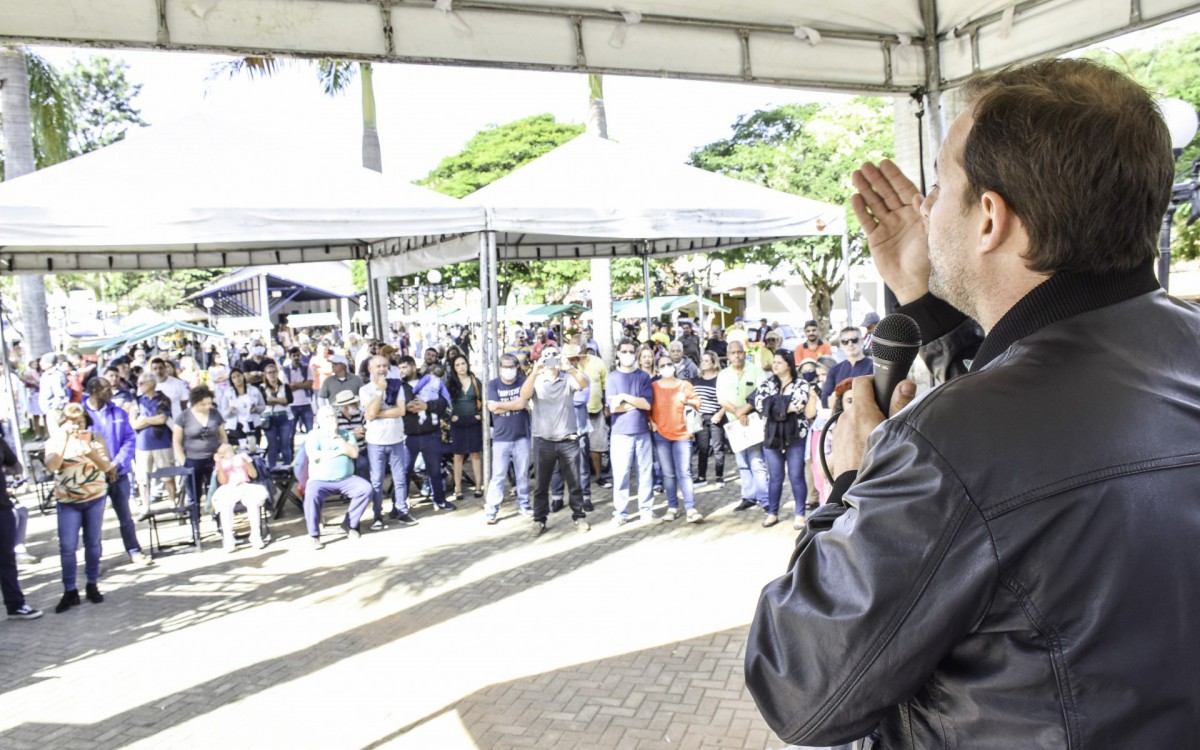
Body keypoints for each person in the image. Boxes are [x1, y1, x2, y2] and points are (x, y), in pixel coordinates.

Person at [746, 59, 1200, 748]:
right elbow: (1037, 404)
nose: (925, 210)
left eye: (941, 186)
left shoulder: (947, 445)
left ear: (990, 217)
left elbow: (800, 687)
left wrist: (848, 485)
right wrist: (919, 293)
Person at [44, 404, 112, 614]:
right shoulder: (54, 442)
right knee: (67, 547)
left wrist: (90, 452)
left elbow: (106, 466)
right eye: (71, 422)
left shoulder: (95, 438)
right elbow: (52, 466)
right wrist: (64, 441)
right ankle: (70, 590)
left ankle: (92, 584)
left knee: (92, 543)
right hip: (67, 501)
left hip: (94, 498)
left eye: (80, 421)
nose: (76, 425)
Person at [519, 344, 590, 536]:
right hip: (543, 439)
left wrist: (571, 368)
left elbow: (584, 384)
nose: (551, 358)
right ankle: (539, 520)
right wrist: (534, 373)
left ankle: (579, 516)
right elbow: (524, 396)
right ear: (541, 359)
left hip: (568, 438)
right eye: (547, 355)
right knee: (541, 484)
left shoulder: (567, 378)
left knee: (574, 481)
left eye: (554, 355)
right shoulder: (537, 379)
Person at [82, 377, 153, 566]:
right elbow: (81, 444)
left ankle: (134, 550)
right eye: (106, 389)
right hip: (93, 476)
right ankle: (93, 557)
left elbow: (129, 439)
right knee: (93, 520)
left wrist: (116, 464)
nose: (111, 392)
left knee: (125, 516)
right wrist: (103, 467)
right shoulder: (81, 413)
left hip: (119, 472)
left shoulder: (118, 412)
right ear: (95, 392)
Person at [752, 350, 815, 529]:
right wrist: (781, 404)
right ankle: (772, 513)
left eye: (779, 362)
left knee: (796, 475)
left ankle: (800, 514)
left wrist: (772, 404)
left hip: (795, 435)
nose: (775, 365)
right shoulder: (767, 383)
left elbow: (798, 404)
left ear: (788, 364)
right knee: (775, 477)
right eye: (774, 362)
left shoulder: (801, 383)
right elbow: (759, 403)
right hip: (771, 435)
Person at [302, 405, 374, 549]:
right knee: (311, 494)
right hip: (320, 480)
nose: (331, 419)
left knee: (365, 489)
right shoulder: (314, 435)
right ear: (319, 421)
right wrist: (338, 452)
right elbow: (314, 455)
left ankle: (350, 524)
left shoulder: (346, 434)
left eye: (333, 416)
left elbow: (354, 453)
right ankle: (314, 535)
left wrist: (338, 438)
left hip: (346, 479)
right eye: (327, 417)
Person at [359, 354, 416, 529]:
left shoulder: (396, 386)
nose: (382, 369)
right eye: (378, 366)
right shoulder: (365, 390)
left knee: (399, 479)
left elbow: (401, 411)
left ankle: (401, 510)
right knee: (376, 481)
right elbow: (369, 413)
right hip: (376, 442)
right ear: (370, 369)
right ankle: (377, 514)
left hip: (396, 439)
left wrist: (376, 413)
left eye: (385, 366)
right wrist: (379, 392)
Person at [649, 354, 703, 523]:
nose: (666, 367)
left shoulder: (684, 385)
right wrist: (652, 423)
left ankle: (690, 508)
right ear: (658, 369)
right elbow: (648, 410)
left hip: (683, 435)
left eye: (669, 364)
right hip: (662, 435)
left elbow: (698, 402)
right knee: (668, 474)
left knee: (684, 472)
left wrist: (687, 400)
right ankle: (672, 506)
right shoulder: (654, 387)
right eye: (663, 365)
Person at [607, 338, 656, 525]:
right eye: (624, 351)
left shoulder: (643, 376)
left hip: (641, 430)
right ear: (618, 353)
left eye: (630, 351)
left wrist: (625, 397)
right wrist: (635, 404)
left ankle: (646, 509)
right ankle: (621, 513)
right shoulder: (612, 377)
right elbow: (613, 408)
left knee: (645, 472)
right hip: (620, 433)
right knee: (621, 474)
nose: (627, 355)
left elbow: (647, 403)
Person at [397, 355, 454, 514]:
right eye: (399, 368)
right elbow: (403, 406)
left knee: (435, 470)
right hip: (408, 435)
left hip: (431, 433)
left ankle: (440, 500)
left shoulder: (430, 380)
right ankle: (400, 505)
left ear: (413, 367)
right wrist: (412, 406)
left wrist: (426, 405)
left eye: (404, 367)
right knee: (405, 471)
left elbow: (443, 403)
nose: (402, 371)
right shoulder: (399, 386)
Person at [717, 340, 769, 513]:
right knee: (742, 463)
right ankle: (748, 497)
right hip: (734, 424)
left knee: (756, 461)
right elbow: (721, 399)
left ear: (745, 353)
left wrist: (744, 411)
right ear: (728, 355)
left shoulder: (755, 370)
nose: (737, 355)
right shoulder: (723, 374)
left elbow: (762, 391)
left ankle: (764, 498)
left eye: (740, 352)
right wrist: (737, 412)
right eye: (733, 353)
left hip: (752, 421)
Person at [483, 354, 532, 523]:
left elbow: (523, 403)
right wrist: (516, 404)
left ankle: (524, 505)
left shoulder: (523, 382)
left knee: (522, 474)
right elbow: (492, 409)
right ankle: (491, 510)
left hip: (522, 436)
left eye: (511, 366)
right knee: (498, 475)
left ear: (516, 366)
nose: (508, 370)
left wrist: (501, 405)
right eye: (505, 367)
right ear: (500, 368)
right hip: (501, 437)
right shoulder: (493, 384)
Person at [1, 432, 41, 620]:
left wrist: (14, 476)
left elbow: (14, 463)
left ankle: (15, 605)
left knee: (7, 559)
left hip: (2, 506)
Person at [172, 386, 227, 515]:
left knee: (217, 493)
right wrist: (183, 461)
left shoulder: (215, 414)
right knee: (194, 496)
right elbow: (176, 441)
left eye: (209, 403)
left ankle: (219, 522)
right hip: (192, 460)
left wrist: (223, 452)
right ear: (195, 402)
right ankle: (196, 524)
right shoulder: (184, 416)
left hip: (214, 458)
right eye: (203, 404)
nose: (207, 406)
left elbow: (222, 435)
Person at [130, 374, 178, 517]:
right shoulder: (138, 401)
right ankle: (146, 506)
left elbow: (162, 418)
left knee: (168, 475)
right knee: (142, 478)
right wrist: (151, 420)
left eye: (142, 383)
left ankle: (173, 503)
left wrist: (144, 419)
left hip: (162, 442)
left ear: (151, 383)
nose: (139, 386)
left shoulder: (163, 398)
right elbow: (133, 423)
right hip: (142, 445)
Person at [211, 444, 268, 552]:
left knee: (253, 501)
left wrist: (246, 463)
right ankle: (228, 539)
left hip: (244, 485)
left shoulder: (242, 457)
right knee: (224, 504)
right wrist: (219, 463)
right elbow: (222, 481)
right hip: (228, 487)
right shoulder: (221, 462)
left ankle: (256, 536)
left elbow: (254, 475)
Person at [446, 354, 484, 501]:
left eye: (463, 363)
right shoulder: (451, 383)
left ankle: (478, 486)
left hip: (473, 420)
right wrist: (450, 417)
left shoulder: (476, 381)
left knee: (475, 454)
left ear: (467, 364)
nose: (461, 367)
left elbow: (483, 399)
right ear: (454, 368)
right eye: (457, 365)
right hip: (457, 422)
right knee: (458, 456)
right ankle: (458, 488)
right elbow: (443, 402)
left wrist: (479, 415)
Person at [691, 351, 725, 487]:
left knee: (718, 447)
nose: (703, 363)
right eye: (702, 360)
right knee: (702, 448)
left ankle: (719, 476)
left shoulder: (720, 379)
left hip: (716, 416)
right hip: (701, 417)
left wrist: (720, 414)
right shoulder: (696, 379)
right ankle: (701, 476)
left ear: (713, 362)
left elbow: (725, 399)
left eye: (706, 361)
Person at [818, 327, 874, 408]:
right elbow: (825, 400)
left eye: (854, 340)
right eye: (845, 342)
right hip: (840, 417)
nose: (850, 344)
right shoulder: (834, 370)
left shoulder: (873, 367)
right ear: (841, 345)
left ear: (861, 341)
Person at [258, 363, 295, 469]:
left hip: (283, 417)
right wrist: (281, 401)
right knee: (272, 445)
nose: (272, 375)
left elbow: (288, 400)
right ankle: (272, 469)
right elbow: (265, 401)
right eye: (269, 372)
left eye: (274, 372)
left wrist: (274, 400)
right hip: (269, 418)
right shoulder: (262, 387)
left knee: (285, 444)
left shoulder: (284, 386)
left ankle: (288, 467)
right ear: (265, 374)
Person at [219, 368, 265, 448]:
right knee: (239, 449)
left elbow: (263, 406)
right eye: (234, 377)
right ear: (231, 380)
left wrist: (256, 409)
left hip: (252, 423)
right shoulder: (228, 393)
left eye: (238, 376)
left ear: (243, 376)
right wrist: (230, 410)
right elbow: (223, 414)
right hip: (236, 426)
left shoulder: (254, 390)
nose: (237, 379)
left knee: (254, 447)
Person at [332, 389, 369, 479]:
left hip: (363, 449)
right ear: (344, 407)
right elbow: (334, 436)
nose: (356, 405)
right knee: (362, 463)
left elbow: (368, 428)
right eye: (353, 404)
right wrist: (352, 434)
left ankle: (368, 486)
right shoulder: (336, 418)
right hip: (346, 452)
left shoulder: (360, 414)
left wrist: (363, 430)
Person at [283, 347, 314, 434]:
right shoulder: (285, 370)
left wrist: (294, 384)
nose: (296, 357)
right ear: (290, 357)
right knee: (290, 432)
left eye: (298, 355)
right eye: (294, 356)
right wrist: (302, 384)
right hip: (292, 404)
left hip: (306, 402)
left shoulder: (306, 367)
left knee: (310, 432)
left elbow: (309, 384)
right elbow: (286, 387)